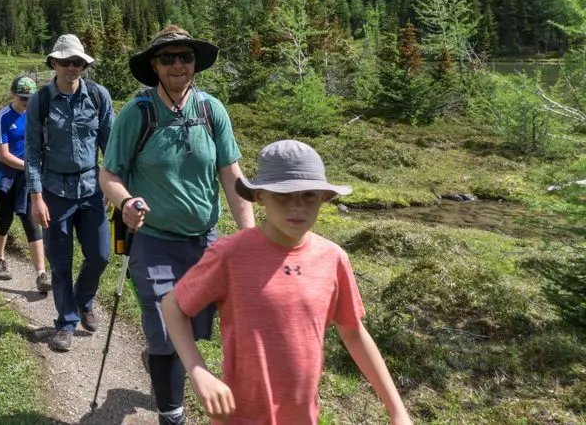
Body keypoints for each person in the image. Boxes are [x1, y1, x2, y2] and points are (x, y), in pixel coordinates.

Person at [161, 140, 413, 425]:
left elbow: (353, 333)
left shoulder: (333, 259)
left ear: (323, 198)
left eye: (308, 195)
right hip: (238, 418)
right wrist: (198, 372)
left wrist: (397, 410)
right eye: (283, 194)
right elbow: (173, 306)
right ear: (260, 196)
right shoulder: (230, 254)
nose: (296, 206)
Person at [99, 24, 254, 425]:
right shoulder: (137, 113)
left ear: (195, 64)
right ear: (154, 65)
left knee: (193, 333)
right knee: (168, 335)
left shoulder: (211, 110)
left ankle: (155, 359)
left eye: (185, 57)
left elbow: (231, 175)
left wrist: (251, 237)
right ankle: (172, 414)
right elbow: (109, 175)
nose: (178, 65)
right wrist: (126, 202)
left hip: (204, 243)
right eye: (168, 58)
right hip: (152, 242)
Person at [25, 34, 114, 353]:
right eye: (65, 62)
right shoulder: (41, 100)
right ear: (54, 64)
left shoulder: (98, 96)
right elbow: (32, 151)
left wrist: (113, 184)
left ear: (84, 65)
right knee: (60, 263)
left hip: (91, 190)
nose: (71, 68)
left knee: (100, 255)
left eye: (77, 62)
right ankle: (65, 323)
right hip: (54, 191)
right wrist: (36, 196)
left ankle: (84, 300)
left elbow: (110, 146)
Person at [0, 76, 52, 294]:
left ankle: (41, 274)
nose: (26, 102)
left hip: (30, 176)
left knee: (31, 221)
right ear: (14, 94)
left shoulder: (38, 114)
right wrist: (30, 167)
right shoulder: (2, 116)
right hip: (8, 174)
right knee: (5, 217)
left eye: (30, 98)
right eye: (22, 98)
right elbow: (3, 155)